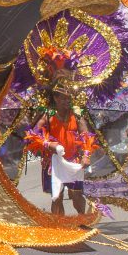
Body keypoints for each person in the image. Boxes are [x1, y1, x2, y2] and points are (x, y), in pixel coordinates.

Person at [26, 81, 94, 215]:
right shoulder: (48, 115)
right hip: (53, 161)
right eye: (63, 98)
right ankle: (60, 226)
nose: (67, 101)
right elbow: (32, 135)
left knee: (77, 194)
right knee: (57, 196)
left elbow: (86, 136)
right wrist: (48, 144)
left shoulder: (77, 115)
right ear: (56, 98)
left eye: (69, 98)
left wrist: (86, 155)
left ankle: (82, 220)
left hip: (73, 160)